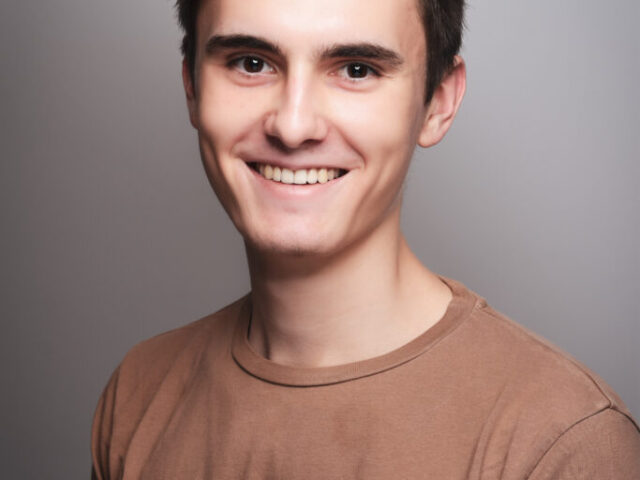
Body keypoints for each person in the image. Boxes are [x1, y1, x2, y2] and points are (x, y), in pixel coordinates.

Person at [91, 0, 640, 478]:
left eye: (356, 69)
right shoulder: (138, 395)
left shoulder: (561, 442)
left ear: (438, 101)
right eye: (251, 63)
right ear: (191, 85)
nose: (293, 125)